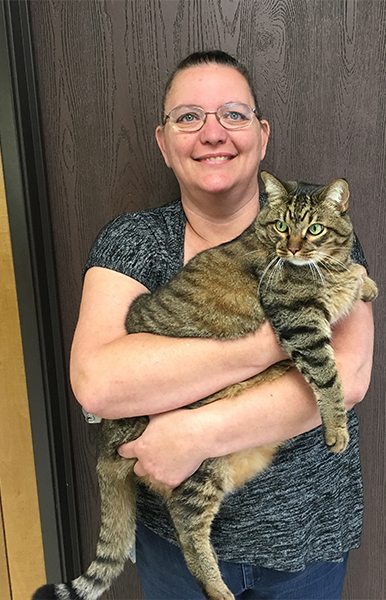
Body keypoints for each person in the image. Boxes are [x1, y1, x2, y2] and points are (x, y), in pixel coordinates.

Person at [70, 50, 373, 599]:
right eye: (189, 117)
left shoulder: (321, 231)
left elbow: (347, 378)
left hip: (308, 545)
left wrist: (192, 433)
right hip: (175, 552)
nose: (213, 133)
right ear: (164, 143)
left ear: (262, 135)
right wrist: (276, 344)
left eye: (232, 114)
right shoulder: (134, 242)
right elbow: (98, 384)